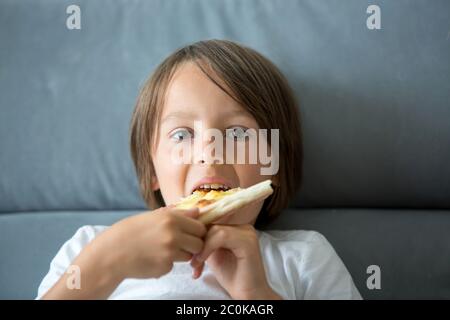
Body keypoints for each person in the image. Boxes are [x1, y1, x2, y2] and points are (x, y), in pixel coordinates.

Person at [37, 39, 361, 300]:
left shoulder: (304, 257)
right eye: (182, 135)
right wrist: (108, 261)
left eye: (237, 134)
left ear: (272, 165)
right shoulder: (89, 247)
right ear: (152, 171)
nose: (209, 154)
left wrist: (255, 297)